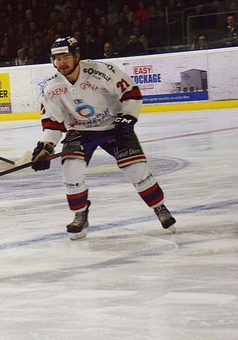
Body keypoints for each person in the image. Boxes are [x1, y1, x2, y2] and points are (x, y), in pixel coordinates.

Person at [29, 36, 176, 240]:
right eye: (57, 58)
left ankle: (159, 207)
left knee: (136, 169)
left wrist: (126, 121)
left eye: (65, 57)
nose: (61, 63)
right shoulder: (51, 86)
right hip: (79, 131)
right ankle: (80, 214)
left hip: (114, 126)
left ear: (77, 56)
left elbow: (131, 94)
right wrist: (46, 146)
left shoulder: (101, 72)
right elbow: (52, 123)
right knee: (71, 170)